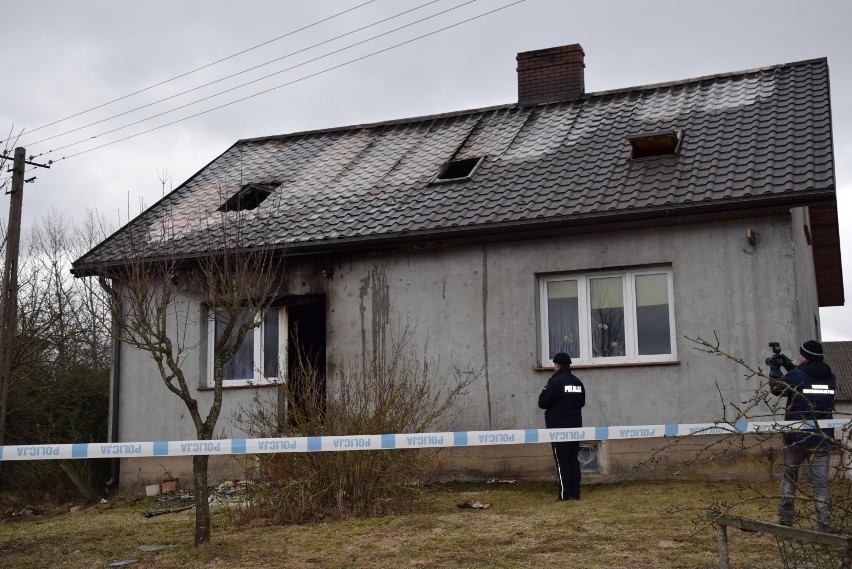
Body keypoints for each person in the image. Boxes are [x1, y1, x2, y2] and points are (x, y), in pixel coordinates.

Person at [769, 339, 836, 532]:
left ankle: (786, 521)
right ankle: (824, 529)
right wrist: (788, 364)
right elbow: (806, 379)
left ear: (805, 356)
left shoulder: (797, 375)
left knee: (789, 477)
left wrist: (775, 368)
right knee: (821, 486)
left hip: (797, 438)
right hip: (822, 438)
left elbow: (777, 388)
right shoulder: (830, 376)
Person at [538, 352, 585, 501]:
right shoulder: (577, 382)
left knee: (561, 460)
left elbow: (542, 403)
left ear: (557, 365)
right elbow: (582, 402)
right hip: (576, 426)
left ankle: (564, 495)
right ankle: (575, 493)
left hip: (559, 428)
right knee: (573, 458)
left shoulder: (556, 381)